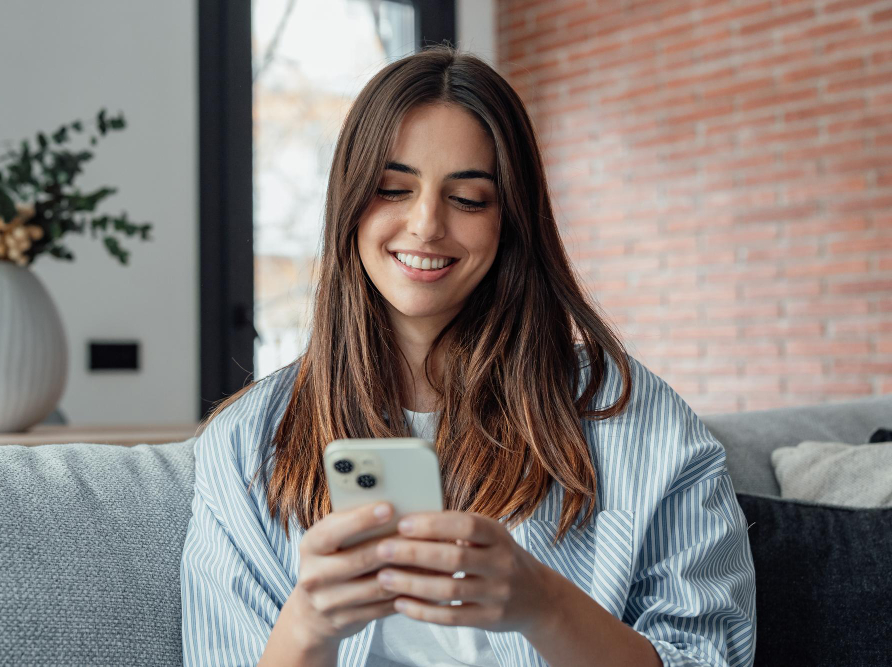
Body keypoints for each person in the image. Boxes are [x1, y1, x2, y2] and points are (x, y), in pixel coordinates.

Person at [180, 45, 756, 667]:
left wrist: (545, 605)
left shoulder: (631, 417)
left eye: (469, 199)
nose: (426, 224)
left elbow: (711, 656)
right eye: (392, 189)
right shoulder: (246, 444)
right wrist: (307, 626)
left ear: (511, 220)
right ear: (348, 204)